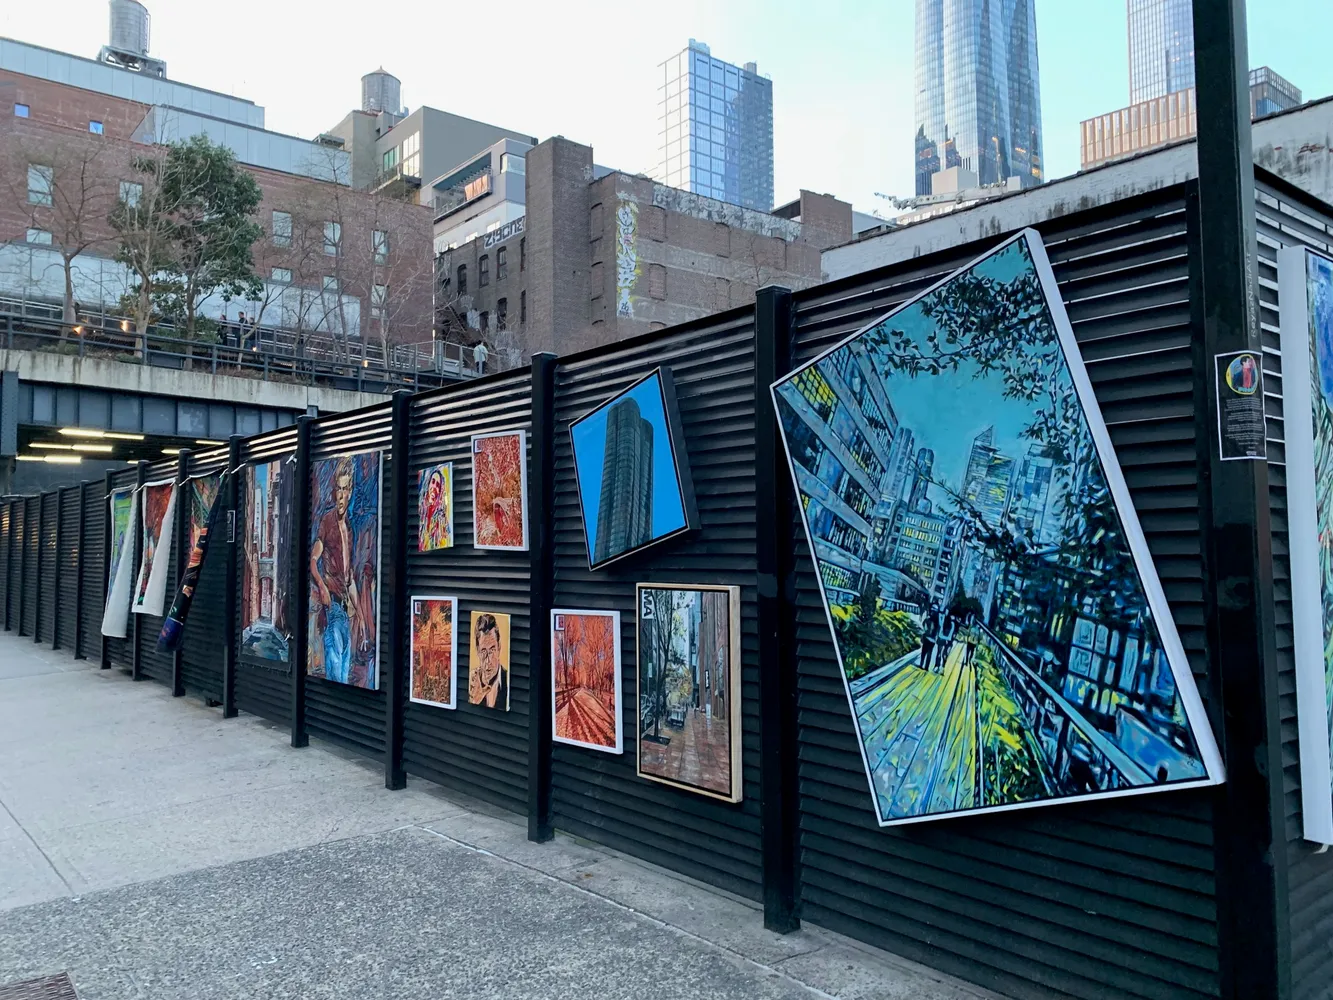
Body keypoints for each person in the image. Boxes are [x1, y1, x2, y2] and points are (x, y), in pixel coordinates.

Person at [309, 459, 361, 685]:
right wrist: (322, 587)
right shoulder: (327, 521)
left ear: (350, 492)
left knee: (344, 661)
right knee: (337, 668)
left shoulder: (349, 529)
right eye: (338, 489)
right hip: (333, 605)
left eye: (345, 489)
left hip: (346, 608)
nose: (341, 496)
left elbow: (349, 578)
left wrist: (360, 614)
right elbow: (313, 560)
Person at [469, 613, 509, 710]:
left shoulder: (508, 680)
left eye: (492, 650)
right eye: (483, 651)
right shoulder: (472, 683)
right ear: (478, 651)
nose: (488, 661)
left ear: (499, 647)